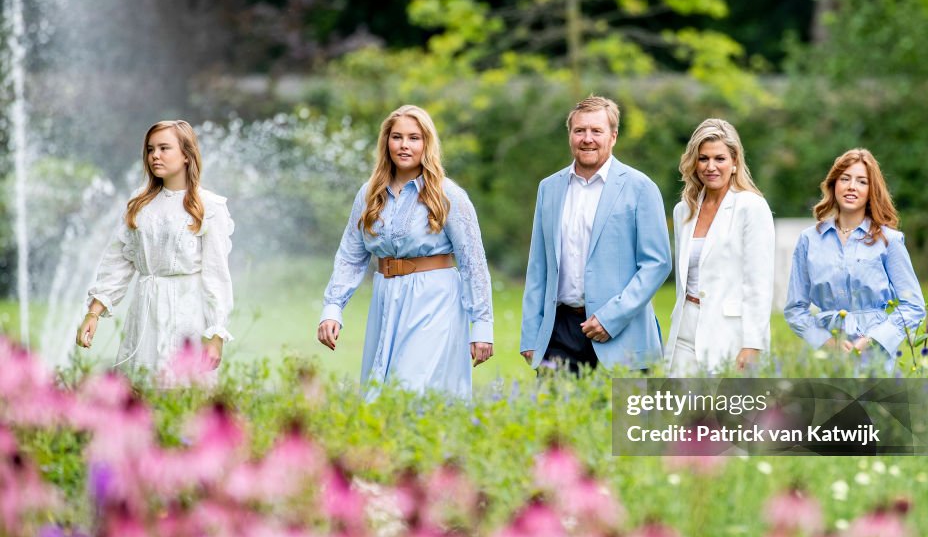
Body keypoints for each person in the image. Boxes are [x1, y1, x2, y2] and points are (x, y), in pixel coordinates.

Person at [317, 105, 493, 399]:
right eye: (397, 137)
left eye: (414, 137)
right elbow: (351, 254)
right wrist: (333, 309)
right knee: (380, 392)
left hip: (434, 299)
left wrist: (482, 326)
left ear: (427, 143)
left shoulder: (448, 194)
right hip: (386, 297)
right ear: (386, 141)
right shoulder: (369, 193)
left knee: (410, 390)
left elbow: (473, 263)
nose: (404, 145)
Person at [520, 95, 671, 374]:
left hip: (623, 332)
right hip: (560, 331)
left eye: (596, 131)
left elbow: (656, 264)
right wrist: (531, 332)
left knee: (624, 419)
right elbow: (538, 265)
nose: (587, 138)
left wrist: (610, 318)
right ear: (570, 135)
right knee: (557, 417)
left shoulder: (641, 188)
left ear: (613, 136)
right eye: (580, 130)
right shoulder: (549, 188)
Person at [77, 120, 234, 375]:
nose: (155, 156)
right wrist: (93, 313)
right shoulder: (139, 204)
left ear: (186, 155)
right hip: (145, 315)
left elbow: (216, 275)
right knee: (141, 389)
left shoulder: (208, 206)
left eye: (164, 148)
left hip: (188, 315)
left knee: (182, 392)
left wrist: (216, 334)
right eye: (150, 149)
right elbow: (118, 261)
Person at [784, 148, 925, 362]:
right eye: (845, 179)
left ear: (871, 190)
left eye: (862, 181)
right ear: (834, 185)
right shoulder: (809, 239)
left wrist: (870, 341)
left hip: (874, 353)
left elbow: (913, 306)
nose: (852, 186)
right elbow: (795, 308)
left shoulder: (889, 241)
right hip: (825, 354)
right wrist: (827, 343)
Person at [664, 118, 775, 376]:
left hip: (730, 331)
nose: (711, 167)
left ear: (735, 162)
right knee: (678, 411)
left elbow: (759, 283)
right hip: (684, 327)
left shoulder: (751, 207)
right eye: (703, 159)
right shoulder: (684, 210)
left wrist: (752, 344)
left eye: (720, 159)